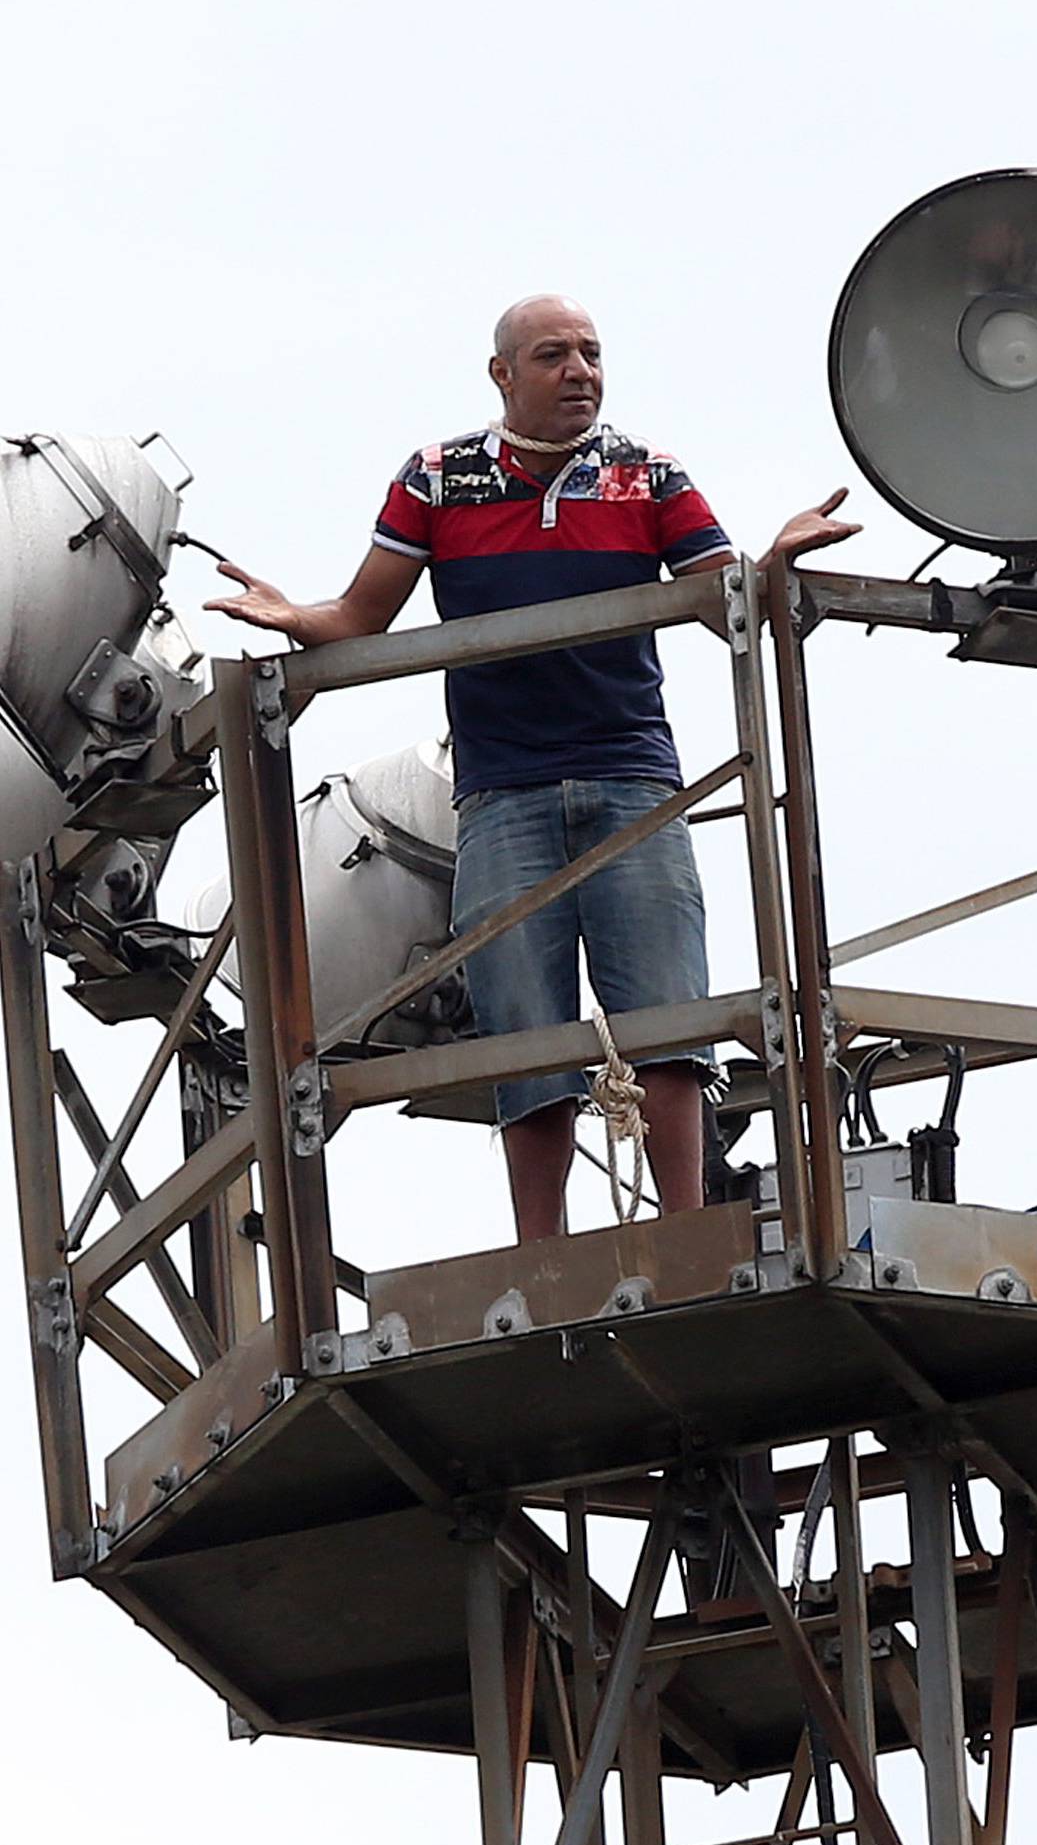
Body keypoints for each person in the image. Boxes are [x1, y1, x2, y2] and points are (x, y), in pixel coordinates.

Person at [208, 293, 857, 1240]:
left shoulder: (645, 474)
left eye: (592, 353)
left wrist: (773, 562)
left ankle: (683, 1228)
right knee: (525, 1032)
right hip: (500, 791)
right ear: (502, 375)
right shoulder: (437, 477)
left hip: (633, 775)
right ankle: (540, 1252)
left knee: (666, 1016)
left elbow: (724, 599)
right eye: (554, 354)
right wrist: (293, 617)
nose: (581, 371)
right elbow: (360, 619)